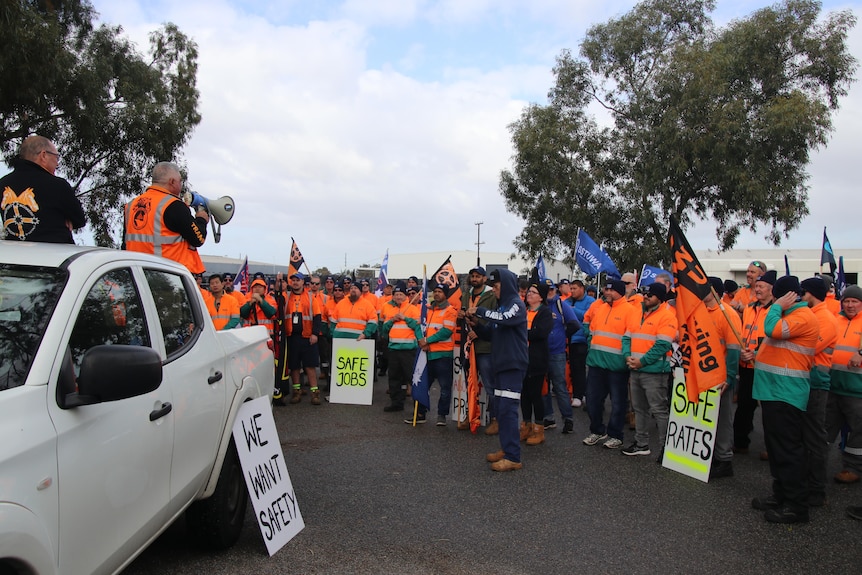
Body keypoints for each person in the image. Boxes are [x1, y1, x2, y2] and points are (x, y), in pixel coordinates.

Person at [751, 276, 819, 524]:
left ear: (786, 296)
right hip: (774, 392)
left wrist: (776, 306)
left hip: (786, 394)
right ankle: (781, 495)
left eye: (778, 296)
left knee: (788, 451)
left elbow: (772, 330)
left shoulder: (801, 316)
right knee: (778, 449)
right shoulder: (790, 316)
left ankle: (796, 506)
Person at [467, 269, 528, 472]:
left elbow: (504, 319)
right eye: (492, 287)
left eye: (497, 287)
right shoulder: (502, 308)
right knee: (502, 411)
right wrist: (477, 325)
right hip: (501, 364)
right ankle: (507, 448)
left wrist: (480, 312)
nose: (494, 290)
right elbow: (491, 333)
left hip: (513, 364)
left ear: (507, 286)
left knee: (509, 410)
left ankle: (513, 457)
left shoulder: (516, 305)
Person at [581, 279, 639, 450]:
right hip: (596, 363)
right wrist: (591, 344)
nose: (607, 293)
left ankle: (616, 435)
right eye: (606, 290)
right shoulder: (600, 309)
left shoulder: (630, 311)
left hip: (617, 366)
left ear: (620, 292)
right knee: (592, 400)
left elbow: (631, 338)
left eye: (611, 291)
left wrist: (625, 359)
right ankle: (597, 430)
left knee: (618, 403)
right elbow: (591, 330)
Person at [622, 282, 677, 458]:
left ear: (659, 298)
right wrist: (627, 356)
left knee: (659, 410)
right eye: (644, 294)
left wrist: (642, 362)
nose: (645, 297)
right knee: (639, 409)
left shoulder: (667, 317)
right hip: (636, 369)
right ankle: (641, 443)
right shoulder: (636, 313)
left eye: (650, 295)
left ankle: (666, 448)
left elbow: (662, 345)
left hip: (654, 372)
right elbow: (626, 337)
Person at [123, 161, 208, 274]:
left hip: (136, 275)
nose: (181, 185)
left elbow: (125, 243)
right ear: (172, 182)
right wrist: (201, 219)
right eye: (180, 181)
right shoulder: (174, 205)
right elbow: (198, 238)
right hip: (167, 276)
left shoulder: (131, 205)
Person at [1, 135, 86, 243]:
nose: (57, 163)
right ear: (44, 155)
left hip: (15, 256)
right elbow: (80, 220)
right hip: (56, 255)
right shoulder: (57, 186)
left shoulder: (3, 184)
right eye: (56, 157)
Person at [799, 276, 839, 505]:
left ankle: (816, 489)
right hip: (804, 381)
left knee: (815, 436)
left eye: (803, 294)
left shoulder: (825, 319)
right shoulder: (812, 315)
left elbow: (808, 347)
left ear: (811, 294)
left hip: (817, 383)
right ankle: (806, 481)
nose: (800, 298)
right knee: (804, 435)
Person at [734, 269, 776, 454]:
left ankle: (771, 447)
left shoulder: (777, 311)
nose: (757, 289)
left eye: (761, 286)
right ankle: (740, 442)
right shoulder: (749, 308)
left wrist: (757, 354)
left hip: (765, 365)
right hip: (746, 365)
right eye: (756, 286)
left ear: (771, 289)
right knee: (744, 405)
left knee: (769, 409)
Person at [704, 278, 742, 479]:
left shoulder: (728, 314)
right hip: (703, 375)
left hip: (721, 376)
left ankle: (724, 459)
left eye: (705, 288)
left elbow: (734, 349)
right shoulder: (700, 312)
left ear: (715, 292)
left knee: (723, 418)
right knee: (708, 416)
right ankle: (709, 455)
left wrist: (730, 376)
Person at [827, 284, 862, 485]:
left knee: (858, 431)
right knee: (825, 428)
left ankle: (853, 468)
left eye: (854, 301)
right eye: (847, 301)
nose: (850, 305)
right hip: (832, 385)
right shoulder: (835, 320)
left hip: (857, 389)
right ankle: (815, 463)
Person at [460, 266, 499, 433]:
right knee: (470, 383)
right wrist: (461, 314)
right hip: (469, 345)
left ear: (484, 278)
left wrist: (480, 331)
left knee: (490, 384)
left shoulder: (491, 295)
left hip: (485, 346)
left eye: (478, 276)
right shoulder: (467, 294)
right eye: (472, 276)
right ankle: (470, 416)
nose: (474, 279)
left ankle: (495, 418)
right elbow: (462, 312)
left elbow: (495, 318)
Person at [542, 280, 581, 433]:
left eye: (552, 289)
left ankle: (568, 419)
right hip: (542, 353)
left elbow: (575, 324)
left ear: (556, 290)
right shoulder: (541, 306)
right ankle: (548, 418)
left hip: (557, 352)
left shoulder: (561, 305)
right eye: (547, 290)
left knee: (559, 387)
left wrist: (563, 337)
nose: (550, 292)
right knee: (544, 387)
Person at [417, 284, 458, 425]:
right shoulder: (427, 310)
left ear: (445, 294)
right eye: (435, 291)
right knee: (423, 385)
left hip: (443, 355)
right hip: (427, 354)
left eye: (440, 292)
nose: (437, 294)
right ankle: (420, 413)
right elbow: (419, 326)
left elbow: (446, 331)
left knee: (445, 387)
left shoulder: (450, 310)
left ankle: (442, 415)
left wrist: (427, 340)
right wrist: (421, 341)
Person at [520, 279, 553, 446]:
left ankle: (539, 428)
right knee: (524, 395)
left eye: (533, 293)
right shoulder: (524, 311)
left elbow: (540, 333)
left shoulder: (545, 313)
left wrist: (522, 333)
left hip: (536, 360)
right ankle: (525, 425)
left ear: (540, 298)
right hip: (522, 359)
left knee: (535, 395)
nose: (528, 295)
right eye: (529, 292)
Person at [380, 282, 421, 415]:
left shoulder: (413, 309)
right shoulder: (389, 310)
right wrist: (392, 320)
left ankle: (419, 405)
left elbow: (418, 326)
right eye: (396, 294)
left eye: (400, 294)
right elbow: (384, 329)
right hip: (393, 349)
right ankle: (396, 402)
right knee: (394, 377)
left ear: (406, 296)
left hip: (408, 349)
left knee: (411, 377)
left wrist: (405, 318)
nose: (398, 297)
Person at [285, 272, 324, 405]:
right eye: (293, 280)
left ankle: (315, 393)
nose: (295, 282)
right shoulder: (286, 297)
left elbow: (317, 317)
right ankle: (297, 391)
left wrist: (314, 334)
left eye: (298, 280)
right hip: (292, 337)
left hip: (307, 336)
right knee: (294, 366)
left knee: (310, 366)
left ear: (303, 282)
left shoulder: (311, 297)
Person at [566, 279, 595, 408]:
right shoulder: (567, 301)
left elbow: (588, 316)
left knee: (580, 368)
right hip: (569, 339)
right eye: (571, 289)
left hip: (582, 339)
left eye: (574, 288)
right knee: (573, 368)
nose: (572, 291)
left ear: (582, 289)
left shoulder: (590, 302)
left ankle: (579, 395)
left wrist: (572, 311)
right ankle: (579, 393)